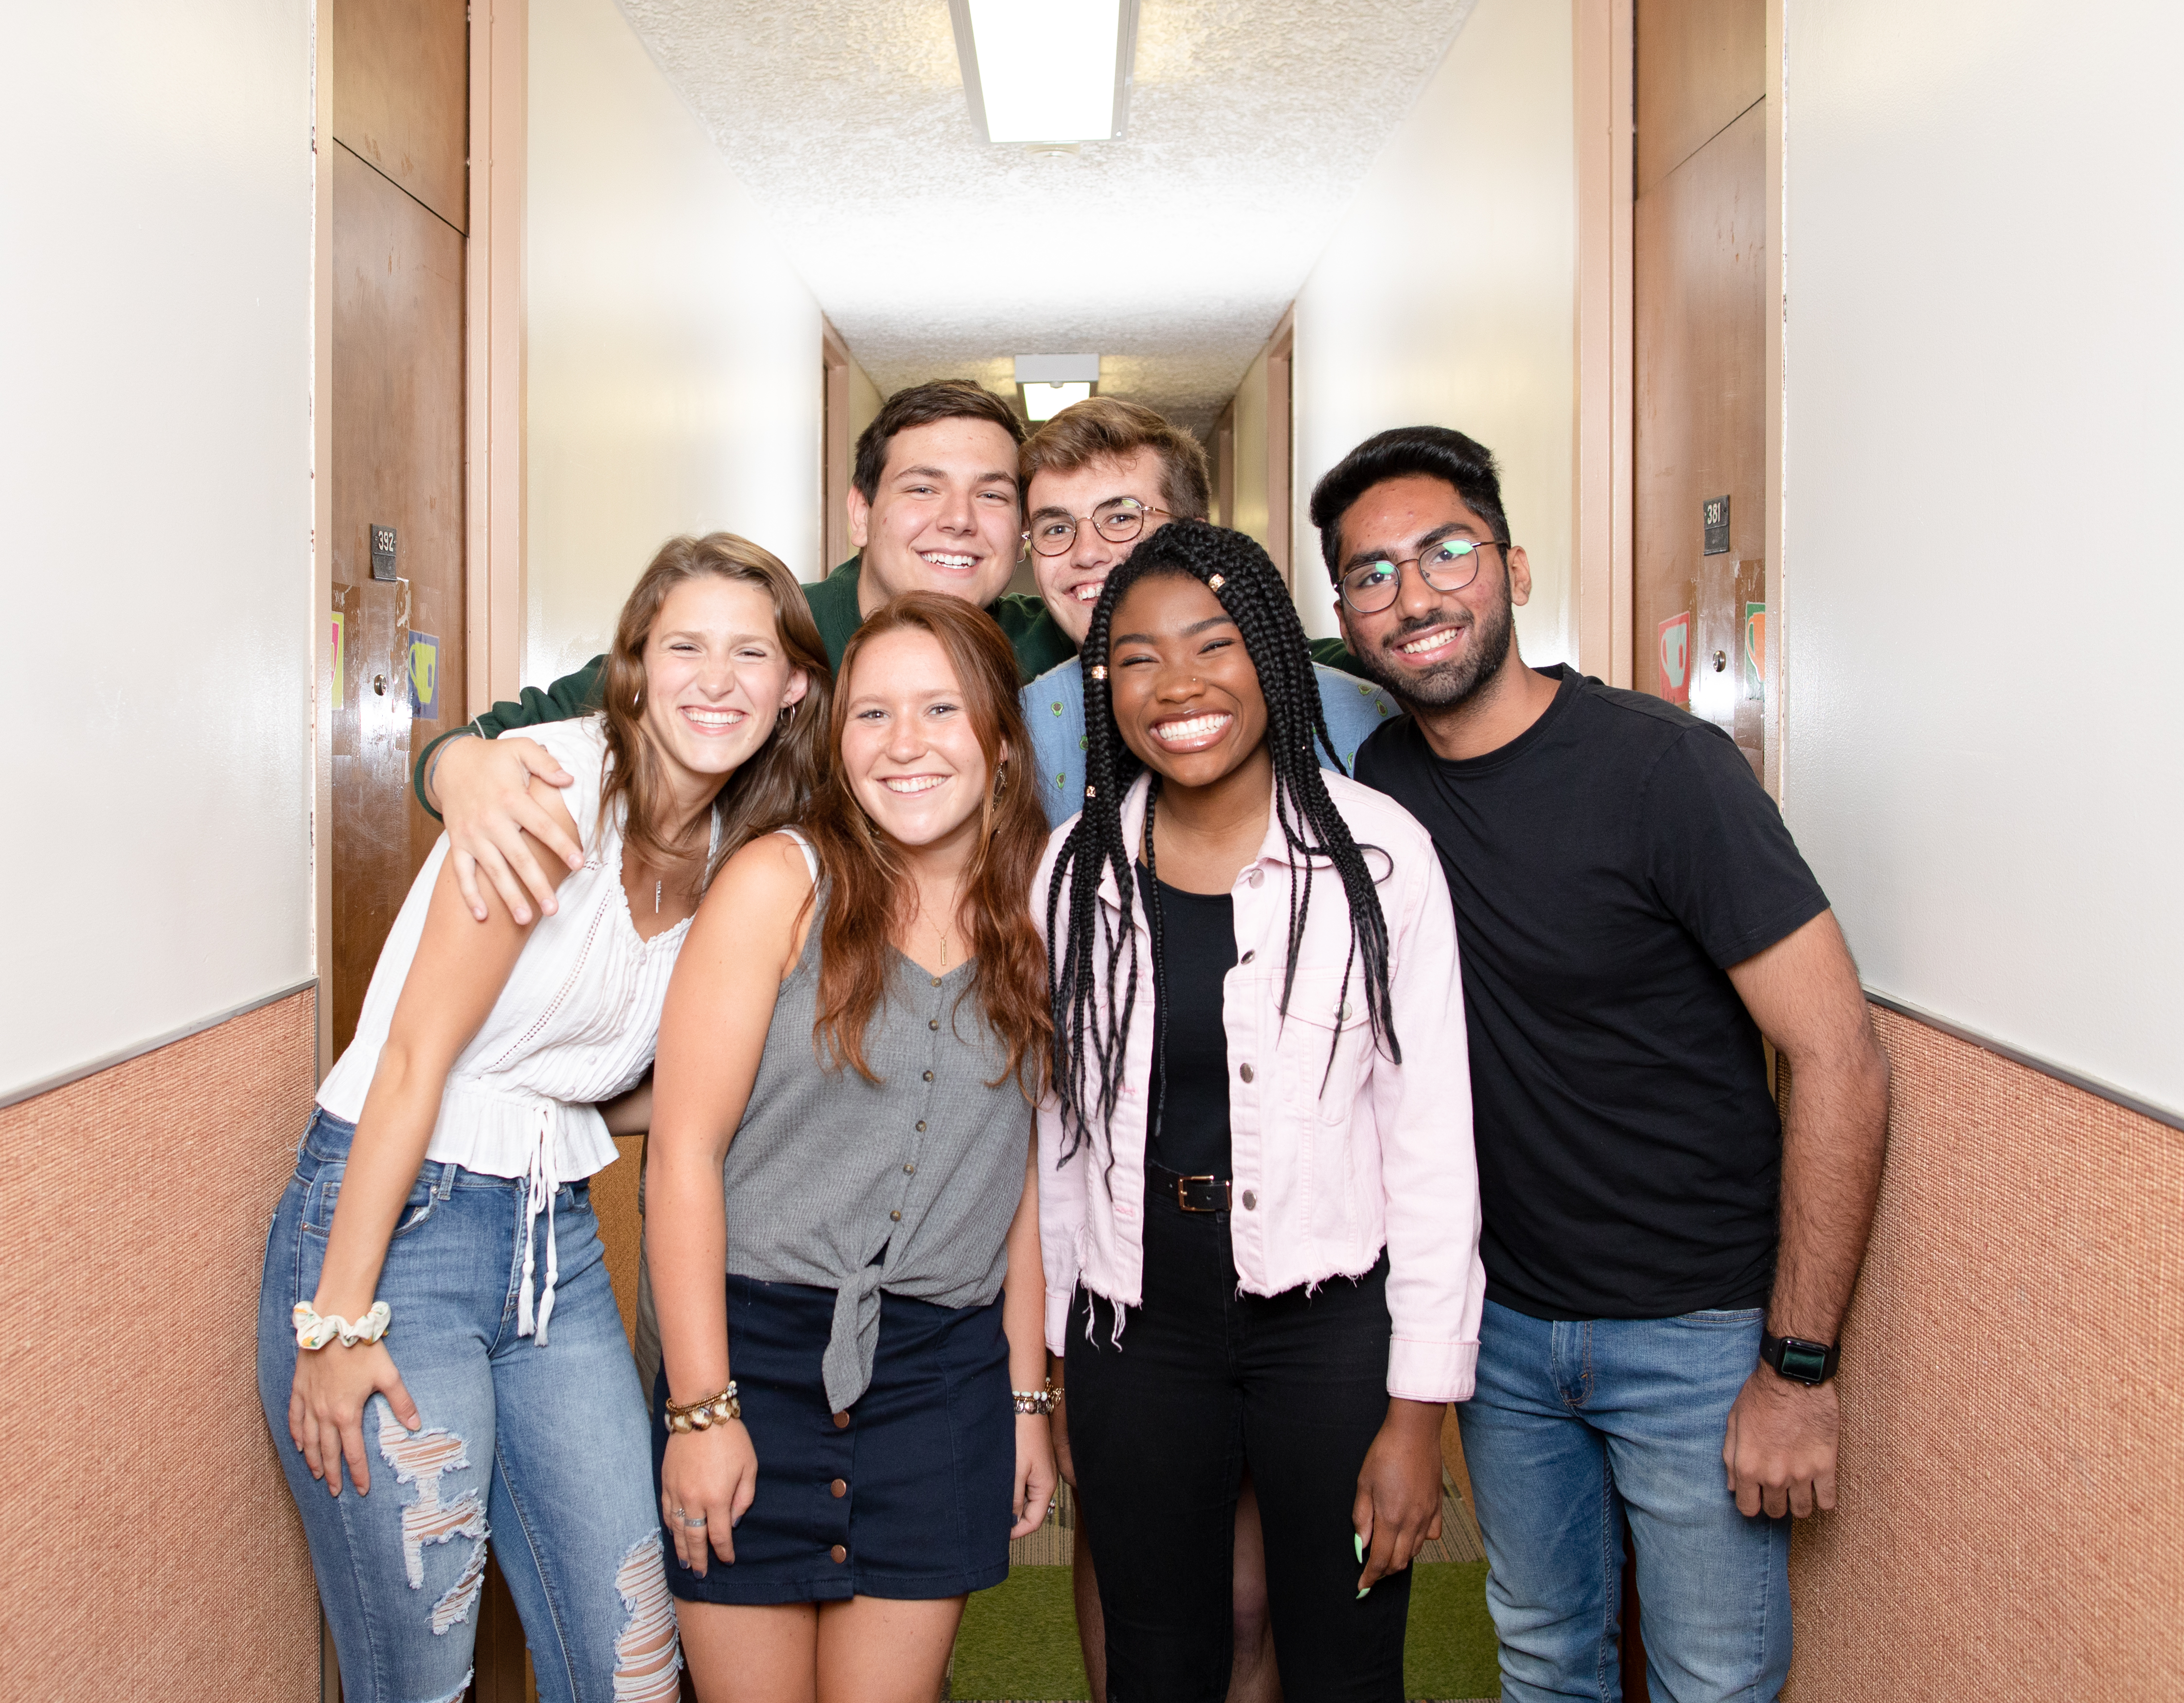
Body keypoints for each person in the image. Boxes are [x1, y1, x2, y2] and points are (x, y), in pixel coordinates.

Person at [1310, 426, 1892, 1703]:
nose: (1412, 596)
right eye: (1370, 573)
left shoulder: (1662, 767)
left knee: (1713, 1676)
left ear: (1511, 565)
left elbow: (1837, 1050)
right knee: (1543, 1651)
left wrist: (1796, 1369)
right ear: (1343, 612)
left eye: (1444, 551)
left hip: (1692, 1329)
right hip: (1501, 1327)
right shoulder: (1380, 783)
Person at [257, 532, 827, 1703]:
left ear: (794, 686)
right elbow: (415, 1058)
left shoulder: (746, 851)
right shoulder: (546, 787)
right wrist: (338, 1321)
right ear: (632, 669)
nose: (715, 679)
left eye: (749, 653)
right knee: (424, 1668)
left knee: (629, 1651)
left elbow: (612, 1084)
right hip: (395, 1227)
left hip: (552, 1240)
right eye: (684, 647)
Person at [1036, 519, 1484, 1702]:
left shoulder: (1380, 859)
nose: (1175, 685)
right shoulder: (1072, 871)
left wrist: (1416, 1413)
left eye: (1212, 645)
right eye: (1134, 658)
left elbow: (1431, 1148)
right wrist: (1055, 1355)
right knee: (1156, 1658)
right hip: (1137, 1327)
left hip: (1329, 1332)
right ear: (1104, 687)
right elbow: (1057, 1136)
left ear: (1272, 658)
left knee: (1343, 1660)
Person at [645, 592, 1058, 1703]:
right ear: (835, 738)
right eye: (871, 714)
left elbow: (1024, 1183)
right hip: (750, 1365)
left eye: (939, 709)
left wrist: (1028, 1399)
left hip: (941, 1378)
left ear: (1001, 740)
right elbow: (680, 1153)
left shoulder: (1043, 908)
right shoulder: (782, 881)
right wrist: (700, 1410)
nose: (904, 744)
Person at [416, 379, 1074, 930]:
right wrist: (455, 764)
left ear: (1019, 530)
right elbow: (500, 738)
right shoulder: (766, 632)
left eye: (990, 494)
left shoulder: (1052, 647)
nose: (958, 518)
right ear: (860, 513)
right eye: (922, 488)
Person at [1016, 396, 1397, 829]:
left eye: (1121, 518)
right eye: (1057, 528)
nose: (1086, 554)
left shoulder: (1365, 718)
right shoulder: (1017, 730)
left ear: (1193, 535)